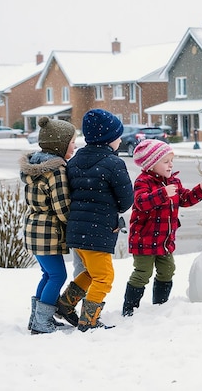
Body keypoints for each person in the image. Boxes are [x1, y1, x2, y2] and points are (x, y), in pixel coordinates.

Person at [56, 109, 134, 331]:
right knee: (104, 277)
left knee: (91, 273)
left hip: (76, 230)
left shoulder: (76, 160)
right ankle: (88, 320)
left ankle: (64, 305)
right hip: (97, 232)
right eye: (118, 135)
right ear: (109, 138)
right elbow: (126, 201)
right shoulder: (114, 164)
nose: (121, 139)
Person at [122, 139, 202, 317]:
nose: (170, 165)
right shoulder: (143, 181)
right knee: (143, 273)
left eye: (171, 160)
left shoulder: (174, 181)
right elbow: (141, 202)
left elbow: (185, 199)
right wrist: (163, 193)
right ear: (151, 164)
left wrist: (201, 189)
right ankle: (129, 309)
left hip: (164, 239)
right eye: (165, 161)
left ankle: (160, 305)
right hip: (144, 239)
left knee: (167, 270)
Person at [20, 116, 77, 334]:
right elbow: (62, 206)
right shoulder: (56, 170)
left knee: (48, 274)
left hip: (33, 226)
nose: (75, 146)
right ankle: (42, 323)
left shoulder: (34, 166)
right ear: (60, 145)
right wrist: (74, 224)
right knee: (57, 276)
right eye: (72, 142)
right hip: (48, 231)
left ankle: (37, 319)